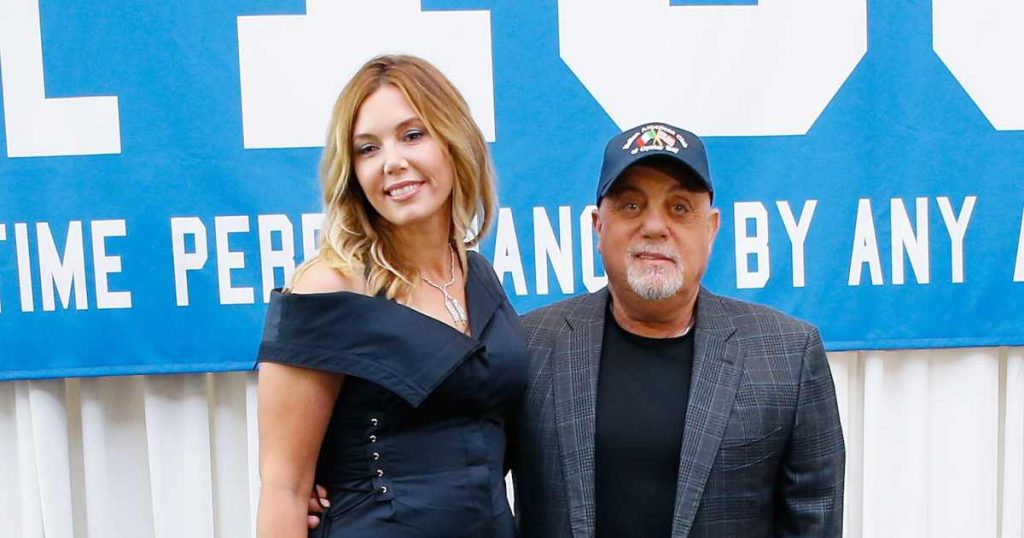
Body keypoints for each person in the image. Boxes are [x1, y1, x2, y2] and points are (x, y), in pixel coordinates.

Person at [510, 123, 845, 537]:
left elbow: (815, 521)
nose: (654, 226)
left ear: (711, 228)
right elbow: (473, 490)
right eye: (631, 205)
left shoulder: (790, 355)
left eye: (680, 207)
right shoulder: (529, 345)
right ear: (599, 226)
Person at [256, 54, 527, 538]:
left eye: (413, 135)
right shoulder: (327, 289)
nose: (393, 162)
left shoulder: (479, 276)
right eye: (367, 148)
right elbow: (285, 489)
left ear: (454, 141)